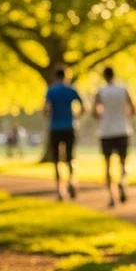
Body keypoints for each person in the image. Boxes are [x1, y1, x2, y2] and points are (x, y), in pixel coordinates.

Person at [92, 67, 136, 207]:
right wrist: (123, 115)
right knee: (123, 162)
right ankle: (123, 181)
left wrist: (103, 117)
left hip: (106, 131)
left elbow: (95, 112)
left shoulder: (100, 92)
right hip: (122, 129)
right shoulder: (123, 90)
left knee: (107, 165)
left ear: (104, 77)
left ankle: (112, 196)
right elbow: (133, 110)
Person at [43, 68, 84, 200]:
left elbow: (47, 108)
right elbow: (84, 107)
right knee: (70, 158)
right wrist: (76, 116)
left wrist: (48, 114)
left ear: (55, 76)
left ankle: (60, 190)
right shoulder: (71, 89)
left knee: (56, 160)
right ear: (66, 76)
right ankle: (72, 181)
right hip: (69, 127)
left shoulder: (51, 90)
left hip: (55, 128)